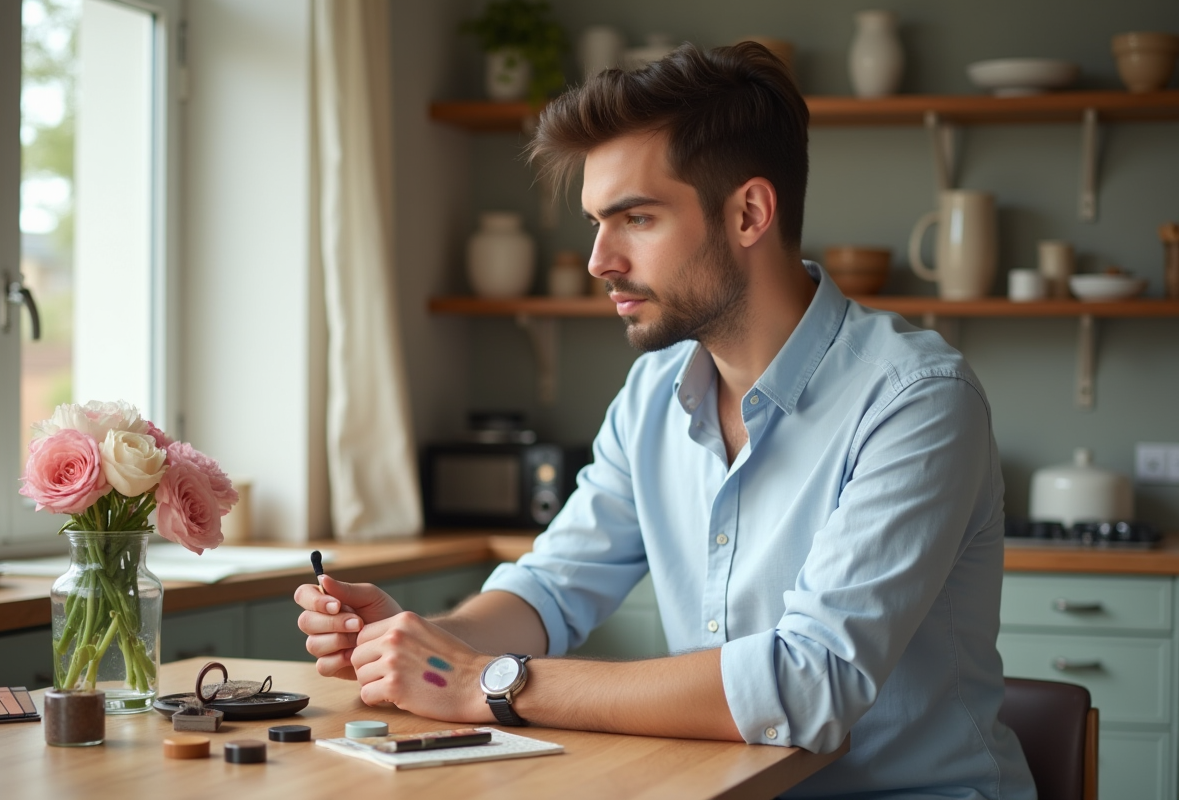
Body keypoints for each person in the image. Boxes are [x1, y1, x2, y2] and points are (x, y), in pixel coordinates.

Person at [295, 42, 1035, 799]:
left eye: (636, 218)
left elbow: (810, 682)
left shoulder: (916, 400)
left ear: (749, 212)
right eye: (594, 223)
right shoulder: (653, 392)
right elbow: (551, 589)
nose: (598, 259)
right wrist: (426, 640)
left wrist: (486, 681)